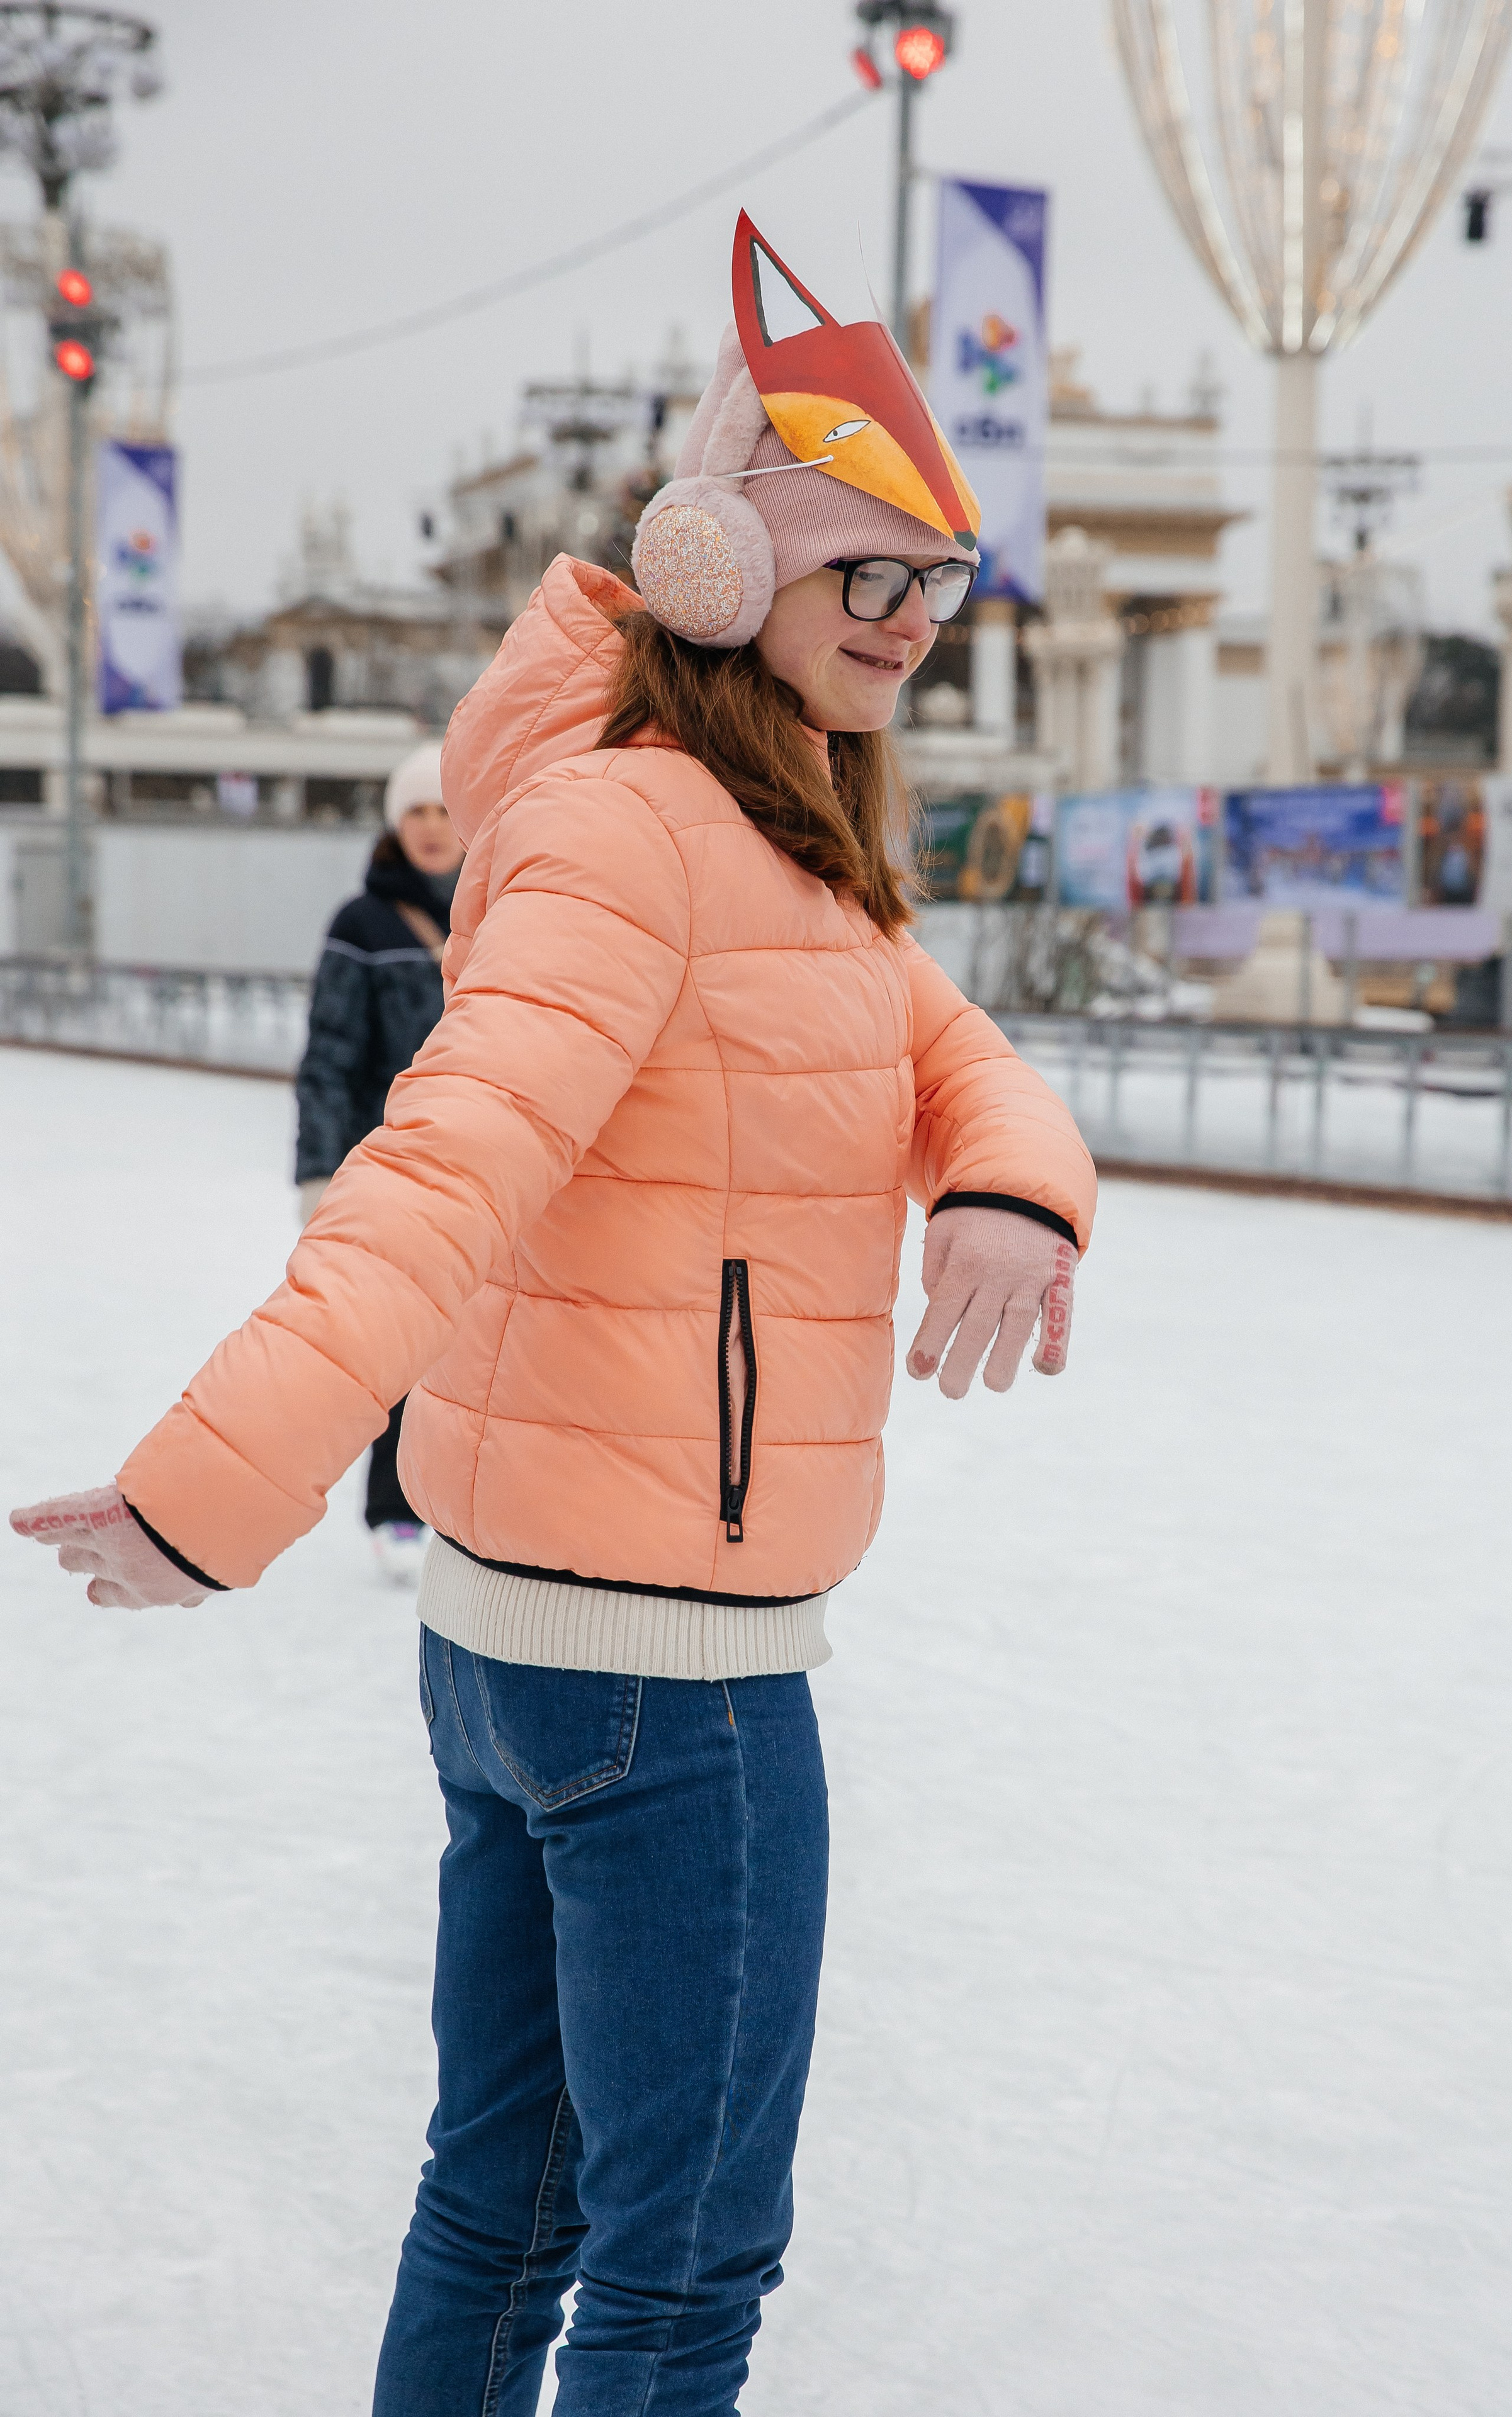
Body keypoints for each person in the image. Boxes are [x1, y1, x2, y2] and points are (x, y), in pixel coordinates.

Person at [13, 211, 1097, 2417]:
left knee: (499, 2218)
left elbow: (940, 1039)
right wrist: (222, 1485)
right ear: (717, 572)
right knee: (681, 2274)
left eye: (938, 584)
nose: (907, 625)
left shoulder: (767, 836)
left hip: (525, 1637)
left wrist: (1007, 1186)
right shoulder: (646, 834)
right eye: (860, 574)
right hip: (662, 1678)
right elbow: (442, 1169)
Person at [295, 741, 464, 1581]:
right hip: (389, 1165)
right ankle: (397, 1509)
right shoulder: (360, 925)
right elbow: (328, 1053)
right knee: (401, 1339)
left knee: (488, 1338)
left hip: (488, 1164)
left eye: (445, 810)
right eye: (417, 813)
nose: (432, 828)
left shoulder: (504, 910)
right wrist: (318, 1172)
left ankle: (476, 1507)